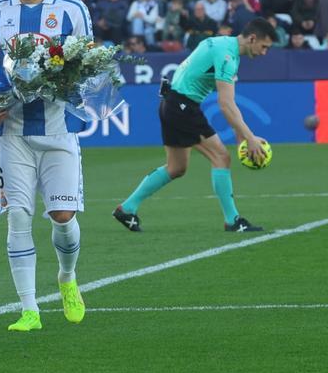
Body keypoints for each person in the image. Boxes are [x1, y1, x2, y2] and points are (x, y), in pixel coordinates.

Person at [0, 0, 91, 333]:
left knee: (62, 216)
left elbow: (88, 63)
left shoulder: (71, 10)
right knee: (18, 216)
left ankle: (67, 278)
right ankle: (29, 309)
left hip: (58, 129)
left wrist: (64, 85)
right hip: (12, 133)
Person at [113, 18, 277, 234]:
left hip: (171, 103)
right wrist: (250, 138)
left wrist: (242, 135)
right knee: (221, 157)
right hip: (183, 106)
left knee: (176, 168)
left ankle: (127, 208)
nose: (264, 53)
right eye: (264, 47)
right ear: (253, 38)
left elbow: (229, 104)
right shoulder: (227, 56)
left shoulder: (222, 45)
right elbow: (226, 104)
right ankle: (232, 220)